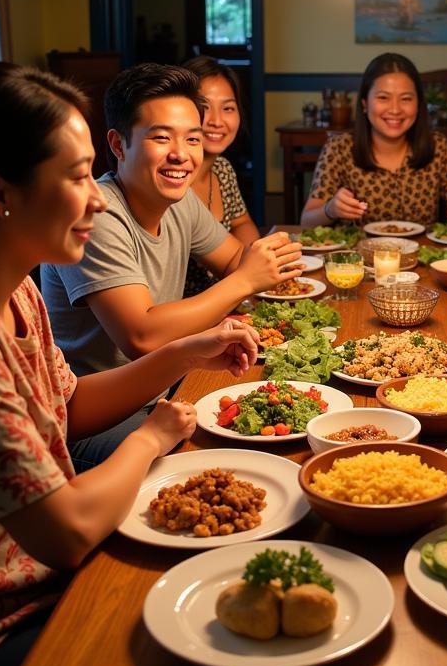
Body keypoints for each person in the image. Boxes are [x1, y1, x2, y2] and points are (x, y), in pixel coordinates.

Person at [0, 64, 259, 666]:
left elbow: (66, 405)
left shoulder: (13, 282)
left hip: (31, 588)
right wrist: (151, 435)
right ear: (0, 194)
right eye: (78, 178)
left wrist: (181, 353)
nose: (98, 198)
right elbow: (68, 533)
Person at [41, 63, 300, 468]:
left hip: (168, 389)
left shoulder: (178, 202)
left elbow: (233, 258)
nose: (181, 154)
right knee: (236, 464)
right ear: (118, 144)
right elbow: (141, 335)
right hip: (95, 422)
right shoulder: (98, 215)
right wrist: (247, 279)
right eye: (161, 137)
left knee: (284, 422)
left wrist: (267, 256)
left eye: (192, 139)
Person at [301, 53, 447, 227]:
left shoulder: (437, 145)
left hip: (422, 255)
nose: (395, 110)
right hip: (357, 256)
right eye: (383, 98)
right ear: (365, 103)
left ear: (418, 104)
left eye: (405, 99)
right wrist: (330, 209)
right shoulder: (339, 147)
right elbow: (307, 220)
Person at [180, 56, 258, 299]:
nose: (215, 121)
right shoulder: (172, 182)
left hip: (229, 301)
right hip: (185, 315)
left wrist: (252, 260)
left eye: (228, 108)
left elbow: (241, 222)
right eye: (203, 107)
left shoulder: (222, 169)